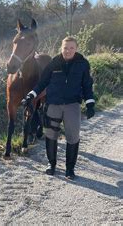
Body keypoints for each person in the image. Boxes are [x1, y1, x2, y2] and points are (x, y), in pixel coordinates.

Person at [22, 36, 95, 180]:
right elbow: (42, 83)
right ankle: (51, 164)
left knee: (73, 137)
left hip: (72, 105)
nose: (68, 51)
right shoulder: (54, 63)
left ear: (76, 49)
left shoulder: (83, 64)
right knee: (50, 135)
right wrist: (31, 95)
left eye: (71, 48)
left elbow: (87, 85)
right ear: (61, 48)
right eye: (65, 48)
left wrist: (90, 103)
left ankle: (70, 169)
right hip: (53, 104)